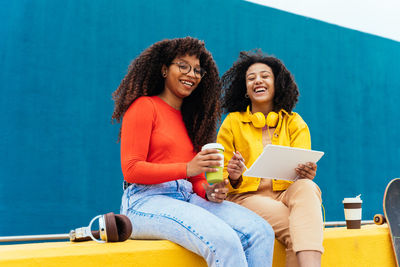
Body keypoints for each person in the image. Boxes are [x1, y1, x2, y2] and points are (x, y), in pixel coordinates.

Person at [111, 37, 275, 267]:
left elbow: (197, 179)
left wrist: (209, 191)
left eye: (198, 70)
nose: (192, 74)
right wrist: (188, 168)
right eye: (183, 66)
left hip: (187, 197)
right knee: (224, 240)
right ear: (164, 69)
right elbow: (131, 170)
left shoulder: (194, 121)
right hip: (144, 201)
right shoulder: (144, 107)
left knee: (261, 231)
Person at [217, 50, 323, 267]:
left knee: (307, 187)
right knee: (299, 230)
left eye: (265, 76)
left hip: (286, 193)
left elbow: (302, 172)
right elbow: (217, 178)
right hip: (246, 197)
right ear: (246, 89)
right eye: (251, 78)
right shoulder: (232, 123)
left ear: (277, 84)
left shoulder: (295, 122)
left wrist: (307, 173)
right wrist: (233, 176)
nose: (258, 80)